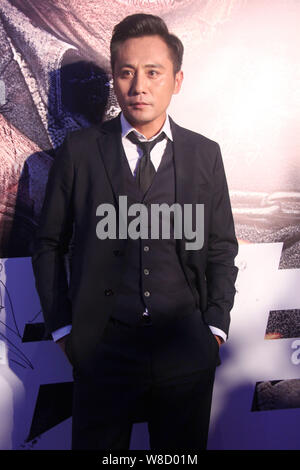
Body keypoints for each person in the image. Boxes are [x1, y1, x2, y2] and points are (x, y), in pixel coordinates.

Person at [31, 13, 238, 450]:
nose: (138, 85)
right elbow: (48, 243)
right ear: (114, 79)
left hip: (186, 350)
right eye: (126, 72)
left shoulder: (205, 154)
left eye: (152, 72)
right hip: (102, 352)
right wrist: (65, 331)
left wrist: (215, 326)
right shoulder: (80, 152)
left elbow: (220, 245)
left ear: (176, 80)